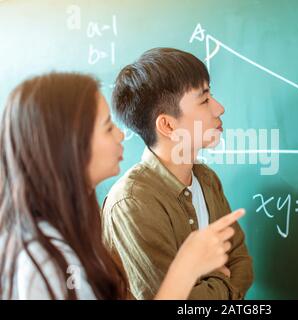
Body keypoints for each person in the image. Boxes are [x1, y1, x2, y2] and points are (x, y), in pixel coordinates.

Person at [0, 72, 244, 299]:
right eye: (107, 127)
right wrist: (187, 268)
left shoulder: (77, 232)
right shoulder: (39, 262)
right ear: (67, 146)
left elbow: (240, 260)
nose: (120, 135)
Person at [102, 48, 253, 300]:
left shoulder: (206, 179)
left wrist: (210, 282)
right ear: (168, 125)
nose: (219, 108)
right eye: (204, 100)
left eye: (211, 95)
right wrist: (221, 278)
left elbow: (242, 264)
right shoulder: (132, 202)